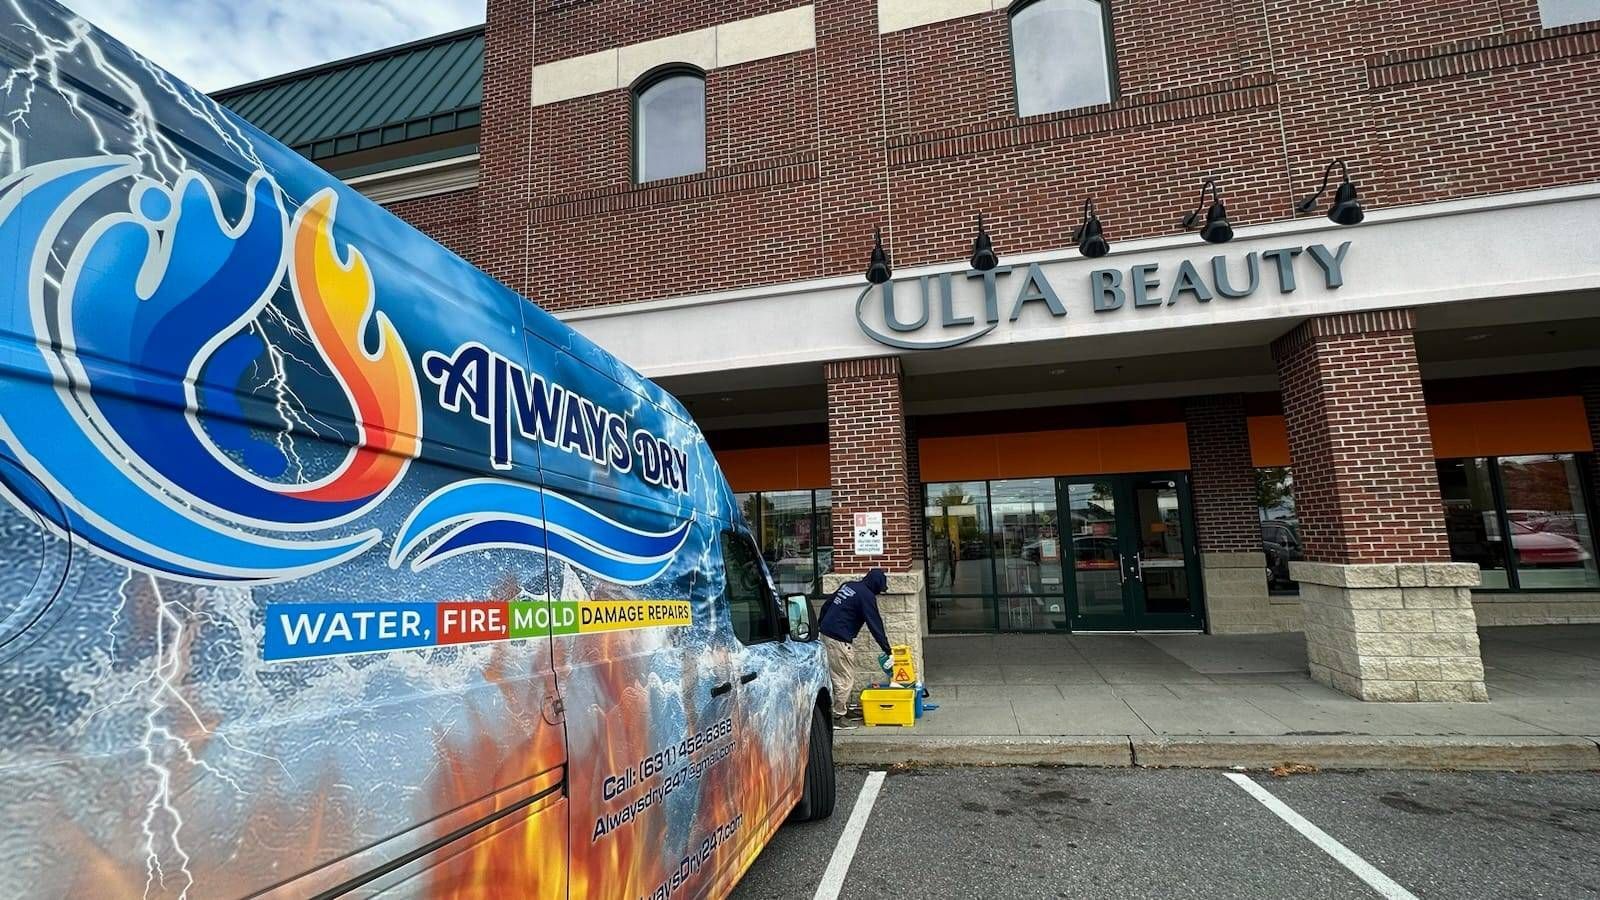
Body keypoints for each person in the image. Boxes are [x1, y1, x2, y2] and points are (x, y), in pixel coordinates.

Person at [818, 568, 893, 727]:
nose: (879, 593)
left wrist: (821, 626)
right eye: (880, 589)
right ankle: (838, 717)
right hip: (838, 640)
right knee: (844, 679)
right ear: (876, 585)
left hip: (827, 634)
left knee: (840, 675)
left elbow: (826, 605)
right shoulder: (866, 596)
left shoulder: (849, 585)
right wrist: (887, 649)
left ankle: (843, 709)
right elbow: (875, 624)